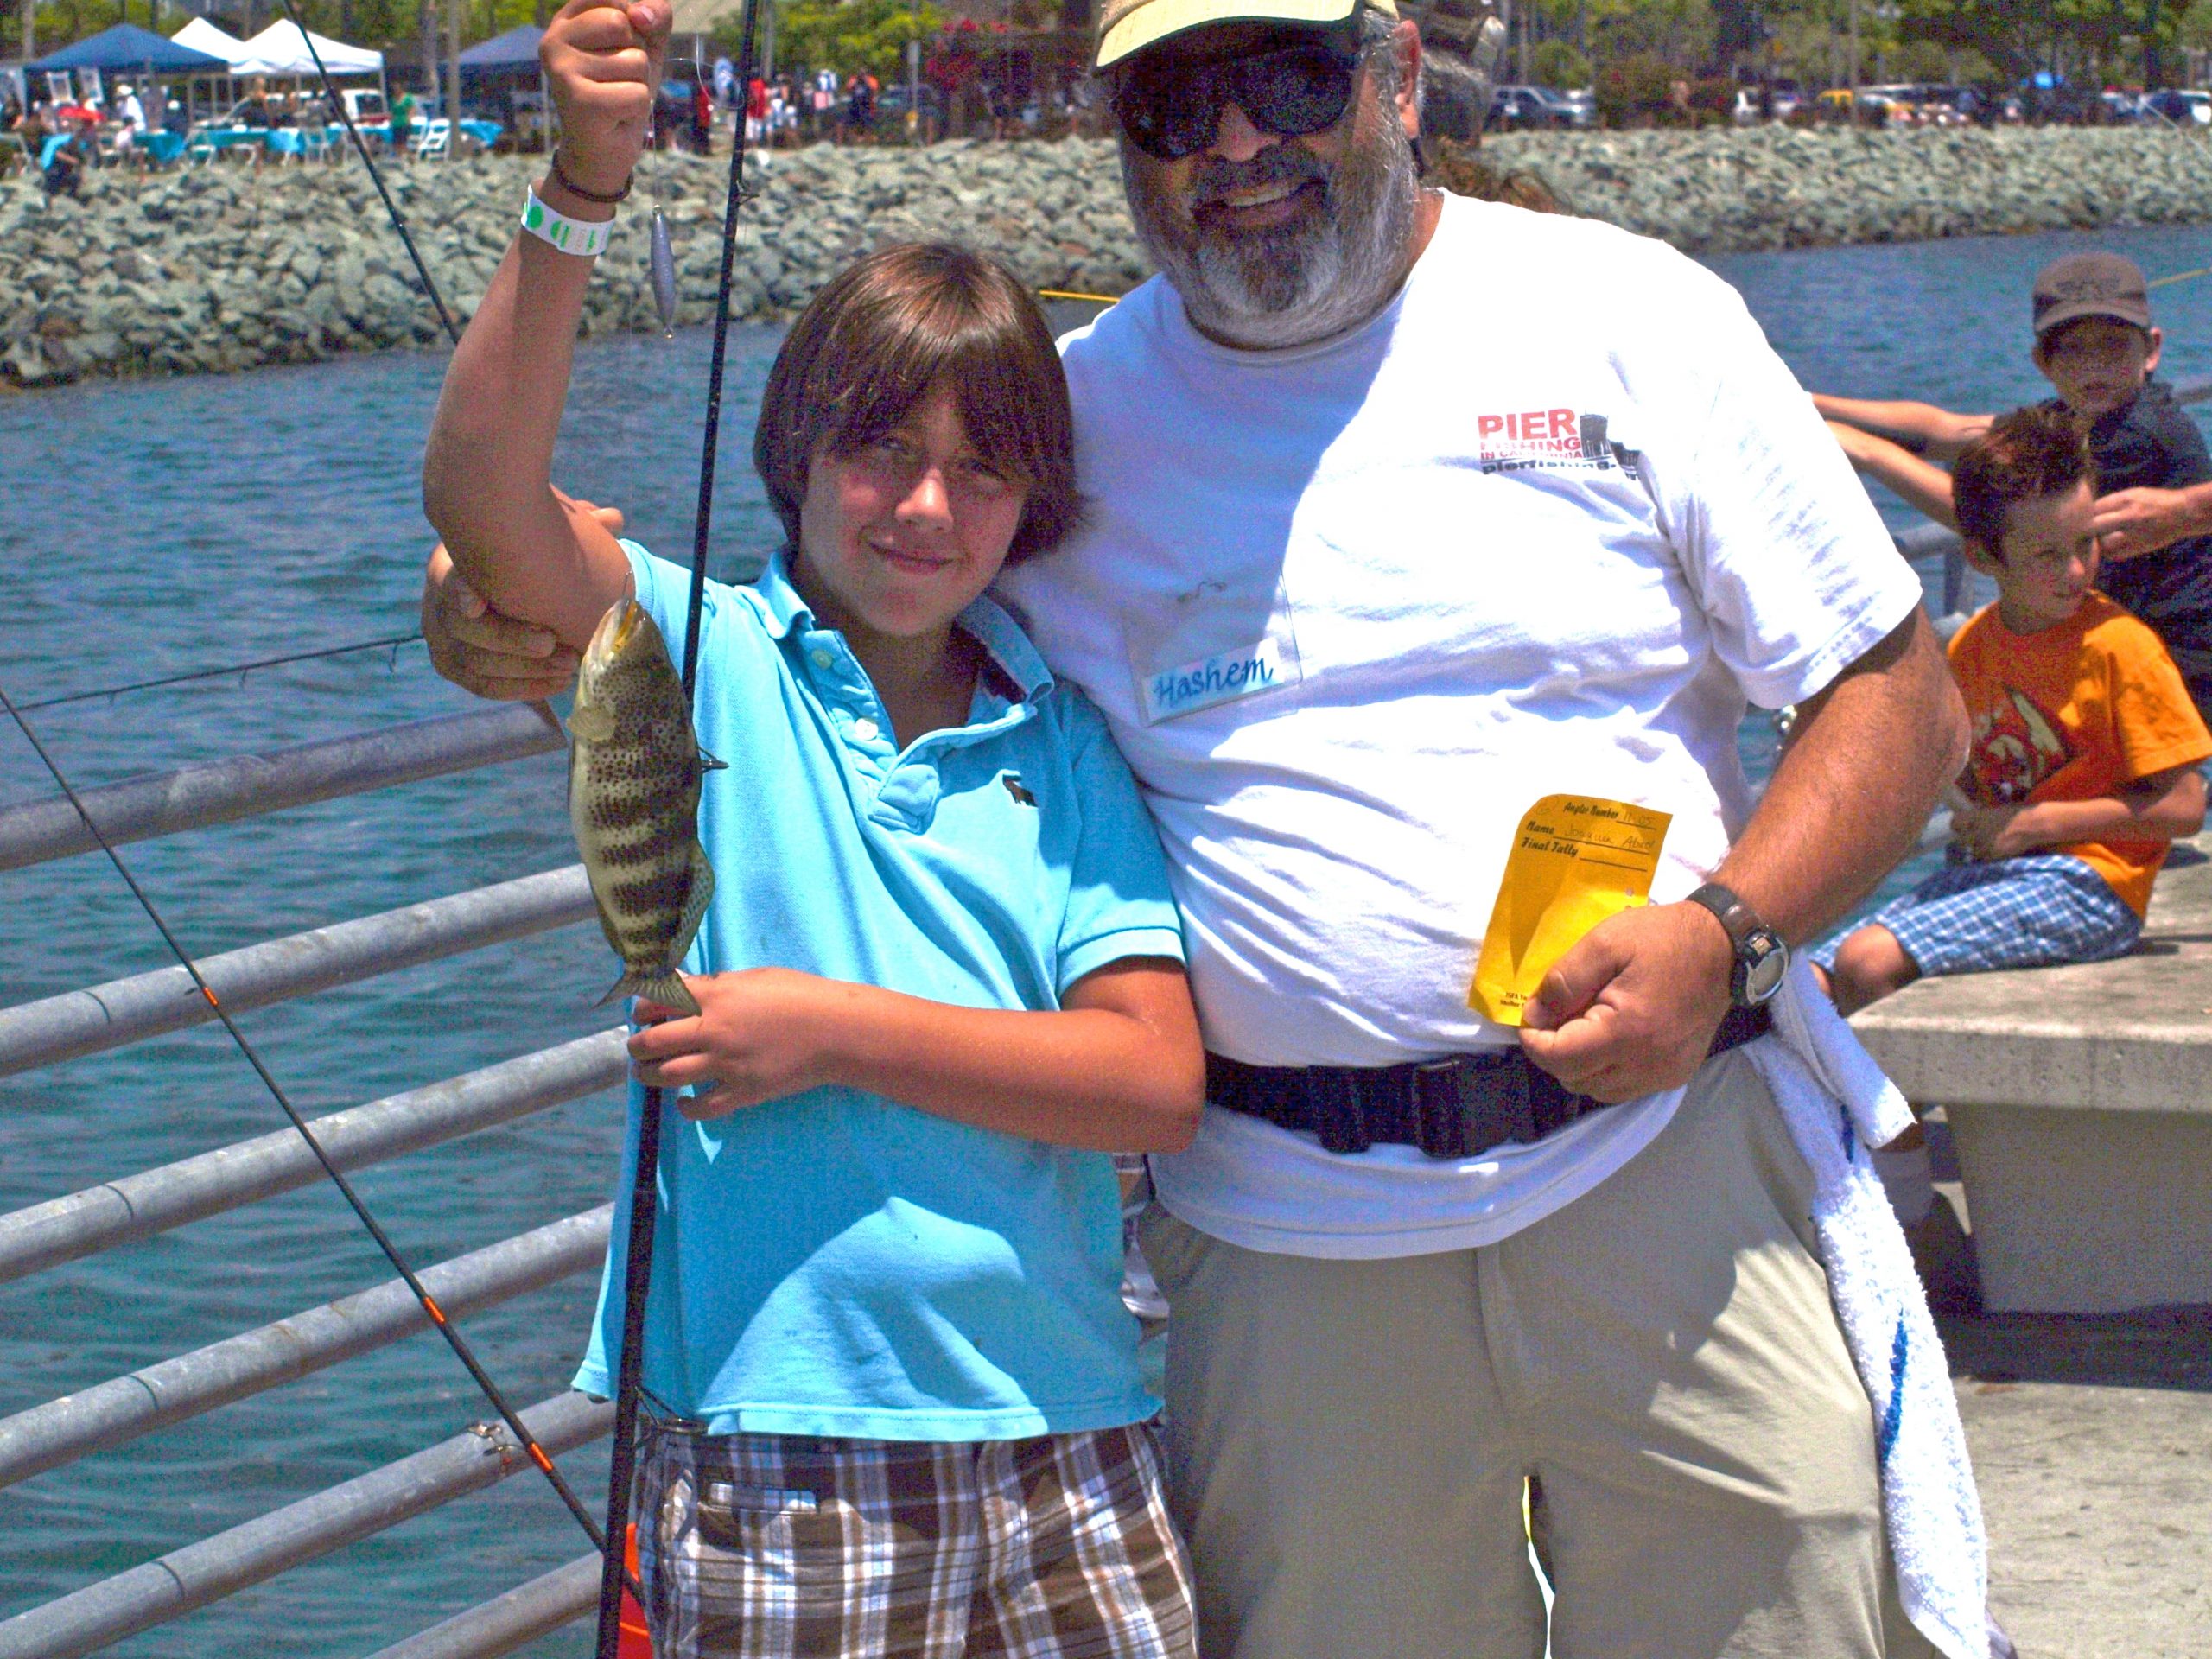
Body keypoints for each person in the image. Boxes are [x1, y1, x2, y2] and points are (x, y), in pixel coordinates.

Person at [423, 0, 1985, 1651]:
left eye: (1285, 81)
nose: (1235, 145)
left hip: (1672, 1166)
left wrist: (1725, 935)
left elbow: (1903, 701)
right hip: (1288, 1247)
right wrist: (495, 603)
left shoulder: (1630, 314)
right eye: (1175, 101)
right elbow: (761, 577)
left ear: (1390, 80)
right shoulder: (1066, 426)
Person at [422, 9, 1206, 1654]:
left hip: (1076, 1421)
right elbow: (488, 500)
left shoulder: (1058, 741)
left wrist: (825, 1033)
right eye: (879, 452)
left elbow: (1150, 1077)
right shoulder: (690, 653)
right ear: (796, 452)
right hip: (785, 1444)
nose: (925, 509)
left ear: (1034, 507)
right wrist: (581, 186)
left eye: (981, 474)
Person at [1818, 407, 2210, 1015]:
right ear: (1983, 559)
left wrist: (2038, 824)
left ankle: (1906, 1116)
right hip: (2001, 876)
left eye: (2086, 544)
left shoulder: (2119, 645)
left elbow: (2185, 806)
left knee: (1867, 963)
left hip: (2093, 886)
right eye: (2046, 555)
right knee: (1808, 982)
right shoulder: (1974, 644)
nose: (2075, 571)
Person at [1820, 252, 2212, 721]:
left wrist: (1868, 453)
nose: (2095, 366)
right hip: (2123, 644)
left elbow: (2000, 517)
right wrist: (1809, 403)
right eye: (2073, 350)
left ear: (2150, 350)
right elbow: (1953, 432)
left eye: (2113, 346)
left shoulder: (2140, 433)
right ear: (2042, 362)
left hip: (2177, 661)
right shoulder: (2082, 417)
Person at [389, 86, 415, 155]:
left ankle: (409, 158)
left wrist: (409, 120)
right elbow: (392, 112)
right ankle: (399, 157)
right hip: (395, 123)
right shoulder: (393, 99)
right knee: (396, 143)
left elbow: (411, 110)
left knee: (403, 143)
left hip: (404, 122)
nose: (396, 90)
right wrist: (390, 121)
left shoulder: (407, 98)